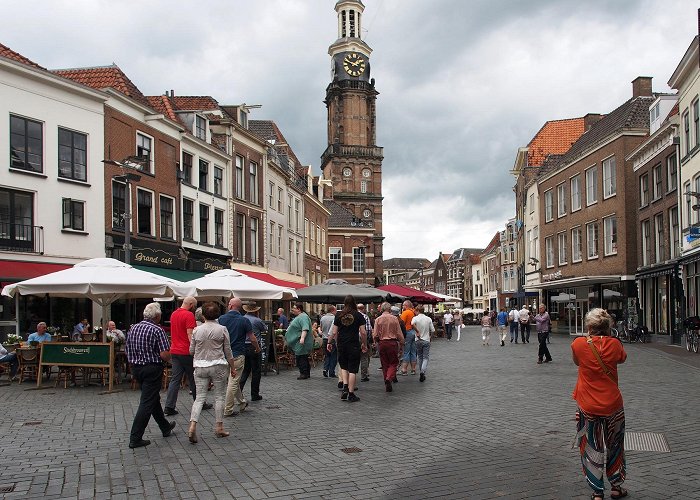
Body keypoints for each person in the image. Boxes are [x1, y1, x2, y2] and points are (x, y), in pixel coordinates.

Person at [572, 308, 628, 500]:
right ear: (608, 327)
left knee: (592, 447)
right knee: (615, 445)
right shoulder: (615, 344)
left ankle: (597, 492)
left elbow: (577, 362)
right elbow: (622, 358)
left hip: (587, 405)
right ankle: (616, 486)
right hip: (613, 405)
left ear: (588, 326)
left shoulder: (578, 344)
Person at [124, 302, 176, 449]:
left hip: (136, 368)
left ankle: (164, 426)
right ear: (157, 316)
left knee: (153, 398)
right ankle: (135, 437)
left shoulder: (133, 328)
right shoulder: (157, 330)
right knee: (147, 401)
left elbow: (127, 349)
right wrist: (171, 359)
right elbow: (164, 354)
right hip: (152, 368)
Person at [187, 301, 236, 443]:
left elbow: (191, 351)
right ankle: (219, 426)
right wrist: (232, 367)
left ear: (203, 315)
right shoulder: (222, 329)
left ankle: (192, 425)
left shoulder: (197, 330)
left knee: (199, 398)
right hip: (218, 365)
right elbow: (228, 350)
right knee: (219, 397)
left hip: (200, 366)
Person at [165, 297, 212, 416]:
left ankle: (169, 406)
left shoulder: (174, 314)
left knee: (175, 379)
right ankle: (200, 402)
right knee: (194, 377)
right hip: (186, 351)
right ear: (191, 304)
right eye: (194, 306)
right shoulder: (188, 315)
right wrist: (195, 349)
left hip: (174, 350)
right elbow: (190, 334)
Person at [221, 298, 259, 417]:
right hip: (237, 354)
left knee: (233, 380)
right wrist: (257, 348)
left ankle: (242, 402)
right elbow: (252, 338)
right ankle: (228, 409)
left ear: (231, 306)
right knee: (233, 382)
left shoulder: (221, 319)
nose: (227, 305)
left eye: (228, 304)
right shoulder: (244, 320)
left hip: (223, 355)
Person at [327, 294, 366, 402]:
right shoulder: (358, 315)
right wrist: (364, 344)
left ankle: (345, 387)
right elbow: (363, 332)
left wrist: (329, 342)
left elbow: (334, 331)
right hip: (353, 344)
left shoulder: (339, 315)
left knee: (344, 367)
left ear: (344, 303)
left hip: (341, 344)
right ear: (354, 303)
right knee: (353, 369)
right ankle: (351, 393)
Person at [372, 302, 404, 392]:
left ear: (381, 309)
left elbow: (375, 334)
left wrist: (375, 342)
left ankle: (386, 380)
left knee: (384, 363)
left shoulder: (378, 319)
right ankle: (389, 378)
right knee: (394, 362)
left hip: (382, 343)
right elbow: (399, 333)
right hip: (392, 343)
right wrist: (402, 343)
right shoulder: (394, 319)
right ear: (390, 309)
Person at [241, 302, 266, 400]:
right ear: (256, 310)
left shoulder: (242, 319)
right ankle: (254, 394)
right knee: (256, 371)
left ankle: (239, 391)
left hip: (243, 346)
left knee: (245, 371)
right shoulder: (257, 320)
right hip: (254, 346)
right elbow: (264, 329)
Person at [285, 302, 313, 380]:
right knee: (303, 357)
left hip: (301, 342)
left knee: (301, 357)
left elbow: (305, 328)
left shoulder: (303, 317)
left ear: (299, 309)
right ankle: (306, 373)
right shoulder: (300, 316)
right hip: (299, 341)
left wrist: (302, 338)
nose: (292, 310)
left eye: (294, 308)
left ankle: (303, 373)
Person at [411, 305, 434, 383]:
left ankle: (421, 371)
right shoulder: (428, 319)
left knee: (420, 357)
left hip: (418, 340)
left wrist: (417, 331)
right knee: (425, 357)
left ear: (417, 310)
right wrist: (430, 337)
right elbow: (433, 330)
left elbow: (412, 324)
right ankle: (422, 372)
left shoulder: (415, 318)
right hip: (426, 340)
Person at [399, 301, 417, 376]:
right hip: (414, 332)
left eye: (403, 305)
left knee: (406, 351)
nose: (402, 307)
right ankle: (413, 369)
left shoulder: (405, 312)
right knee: (413, 351)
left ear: (406, 306)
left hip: (408, 332)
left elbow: (401, 323)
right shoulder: (414, 312)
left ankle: (404, 370)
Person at [357, 303, 373, 382]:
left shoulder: (353, 316)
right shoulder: (365, 317)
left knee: (355, 357)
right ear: (363, 309)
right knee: (364, 357)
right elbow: (368, 330)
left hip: (354, 339)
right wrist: (367, 341)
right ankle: (364, 375)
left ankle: (353, 374)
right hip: (363, 338)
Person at [320, 306, 337, 378]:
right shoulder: (334, 318)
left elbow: (321, 328)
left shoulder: (322, 318)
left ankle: (325, 369)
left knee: (327, 355)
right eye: (335, 310)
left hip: (324, 339)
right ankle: (331, 372)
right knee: (333, 356)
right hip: (332, 339)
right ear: (332, 310)